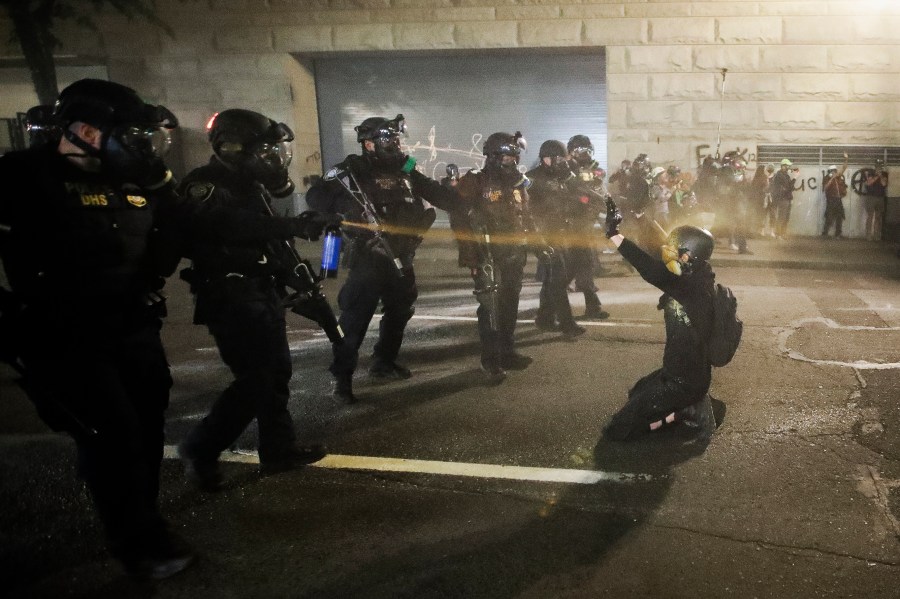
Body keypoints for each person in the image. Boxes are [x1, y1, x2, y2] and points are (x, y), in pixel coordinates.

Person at [0, 79, 194, 579]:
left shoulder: (132, 177)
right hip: (62, 334)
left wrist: (153, 271)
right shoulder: (20, 178)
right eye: (128, 135)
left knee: (148, 427)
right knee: (112, 435)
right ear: (85, 130)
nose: (138, 146)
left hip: (132, 325)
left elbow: (178, 228)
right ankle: (136, 543)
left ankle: (145, 520)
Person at [176, 109, 337, 490]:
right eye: (263, 152)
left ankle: (278, 449)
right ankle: (201, 447)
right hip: (230, 294)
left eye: (273, 152)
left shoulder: (251, 185)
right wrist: (293, 225)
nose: (272, 159)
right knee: (256, 380)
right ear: (233, 148)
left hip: (261, 291)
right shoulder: (205, 183)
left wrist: (294, 273)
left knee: (277, 373)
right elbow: (226, 225)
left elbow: (268, 239)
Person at [306, 114, 456, 403]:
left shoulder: (406, 167)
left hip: (402, 255)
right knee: (355, 319)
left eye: (396, 139)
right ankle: (343, 380)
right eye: (387, 139)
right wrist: (347, 209)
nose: (394, 144)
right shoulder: (352, 169)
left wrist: (463, 203)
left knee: (400, 311)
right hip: (370, 257)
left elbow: (432, 191)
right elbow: (317, 196)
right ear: (369, 143)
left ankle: (384, 363)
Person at [601, 199, 718, 442]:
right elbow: (659, 252)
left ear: (688, 258)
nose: (669, 253)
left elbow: (649, 267)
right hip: (679, 372)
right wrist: (636, 221)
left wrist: (615, 236)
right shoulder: (697, 277)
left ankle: (688, 410)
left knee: (620, 429)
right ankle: (686, 405)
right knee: (638, 391)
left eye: (676, 252)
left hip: (684, 381)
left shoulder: (688, 289)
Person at [454, 131, 547, 379]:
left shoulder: (519, 184)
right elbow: (460, 222)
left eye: (515, 157)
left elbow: (527, 217)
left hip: (514, 253)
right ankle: (491, 361)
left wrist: (540, 245)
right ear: (493, 157)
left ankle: (507, 352)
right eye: (507, 157)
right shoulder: (475, 182)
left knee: (509, 306)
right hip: (488, 256)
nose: (512, 162)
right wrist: (471, 258)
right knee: (490, 310)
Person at [526, 140, 586, 338]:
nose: (561, 161)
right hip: (545, 235)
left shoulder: (563, 176)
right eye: (557, 158)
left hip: (563, 233)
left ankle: (544, 317)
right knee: (558, 277)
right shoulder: (532, 178)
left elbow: (582, 195)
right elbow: (525, 208)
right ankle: (566, 323)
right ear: (546, 158)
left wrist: (569, 176)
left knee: (555, 279)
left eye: (563, 158)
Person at [565, 134, 610, 319]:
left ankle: (592, 306)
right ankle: (549, 310)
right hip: (567, 225)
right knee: (564, 271)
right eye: (581, 151)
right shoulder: (565, 170)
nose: (585, 155)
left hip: (585, 224)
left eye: (587, 151)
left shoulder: (594, 170)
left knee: (584, 264)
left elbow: (599, 192)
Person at [821, 153, 849, 239]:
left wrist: (846, 159)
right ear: (830, 171)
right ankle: (825, 233)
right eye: (834, 171)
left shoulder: (838, 177)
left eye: (835, 171)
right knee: (829, 217)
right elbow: (825, 188)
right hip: (831, 199)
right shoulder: (826, 178)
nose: (835, 172)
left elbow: (844, 168)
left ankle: (838, 234)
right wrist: (832, 178)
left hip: (838, 199)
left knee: (839, 216)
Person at [770, 158, 798, 239]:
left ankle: (782, 234)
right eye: (787, 166)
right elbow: (789, 187)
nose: (789, 167)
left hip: (787, 198)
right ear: (783, 166)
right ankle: (778, 234)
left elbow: (790, 187)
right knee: (782, 217)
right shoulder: (780, 175)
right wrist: (795, 178)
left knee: (786, 217)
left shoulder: (786, 175)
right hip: (783, 199)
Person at [864, 166, 888, 241]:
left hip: (880, 198)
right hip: (871, 197)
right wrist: (877, 176)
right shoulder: (871, 175)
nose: (879, 171)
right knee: (870, 217)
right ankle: (868, 235)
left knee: (878, 217)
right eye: (878, 170)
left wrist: (880, 176)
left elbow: (884, 184)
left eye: (880, 170)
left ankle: (877, 235)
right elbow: (869, 183)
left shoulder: (884, 176)